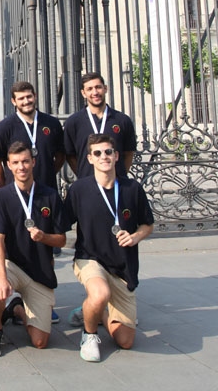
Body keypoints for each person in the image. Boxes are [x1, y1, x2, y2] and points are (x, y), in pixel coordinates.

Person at [64, 134, 154, 363]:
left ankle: (95, 312)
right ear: (90, 159)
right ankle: (89, 334)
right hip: (89, 258)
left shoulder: (132, 188)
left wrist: (135, 237)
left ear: (116, 156)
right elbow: (60, 224)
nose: (103, 157)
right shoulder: (79, 189)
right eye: (97, 153)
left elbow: (148, 225)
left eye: (107, 152)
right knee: (100, 292)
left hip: (123, 266)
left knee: (126, 341)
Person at [0, 143, 66, 357]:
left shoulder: (50, 195)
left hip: (39, 271)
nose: (22, 167)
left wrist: (44, 237)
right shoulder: (1, 196)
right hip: (12, 266)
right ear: (8, 165)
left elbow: (62, 240)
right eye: (16, 163)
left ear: (33, 162)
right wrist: (1, 277)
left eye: (26, 161)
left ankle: (16, 309)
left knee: (40, 342)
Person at [0, 81, 64, 190]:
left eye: (29, 97)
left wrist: (48, 172)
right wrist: (5, 187)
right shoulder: (4, 128)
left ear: (35, 96)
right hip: (16, 192)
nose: (26, 101)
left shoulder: (52, 123)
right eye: (21, 98)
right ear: (13, 101)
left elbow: (61, 155)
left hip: (47, 190)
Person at [63, 73, 137, 180]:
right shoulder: (73, 122)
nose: (95, 92)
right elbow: (70, 156)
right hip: (87, 184)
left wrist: (119, 175)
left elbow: (128, 153)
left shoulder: (122, 120)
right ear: (83, 93)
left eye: (98, 87)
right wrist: (84, 176)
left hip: (117, 184)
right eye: (89, 89)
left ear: (105, 88)